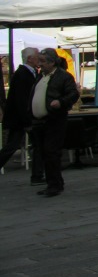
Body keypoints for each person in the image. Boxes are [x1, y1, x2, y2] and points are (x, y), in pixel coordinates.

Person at [29, 48, 80, 197]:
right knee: (44, 153)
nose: (40, 64)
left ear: (52, 62)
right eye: (39, 61)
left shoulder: (63, 76)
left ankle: (54, 184)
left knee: (51, 152)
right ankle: (53, 182)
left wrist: (60, 102)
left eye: (43, 61)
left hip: (54, 119)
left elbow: (73, 94)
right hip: (39, 121)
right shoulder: (41, 76)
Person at [0, 48, 41, 179]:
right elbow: (22, 100)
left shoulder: (26, 73)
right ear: (29, 58)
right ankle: (38, 173)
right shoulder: (23, 74)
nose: (39, 59)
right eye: (37, 56)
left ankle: (38, 172)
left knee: (15, 145)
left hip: (20, 118)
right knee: (15, 145)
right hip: (21, 119)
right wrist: (27, 121)